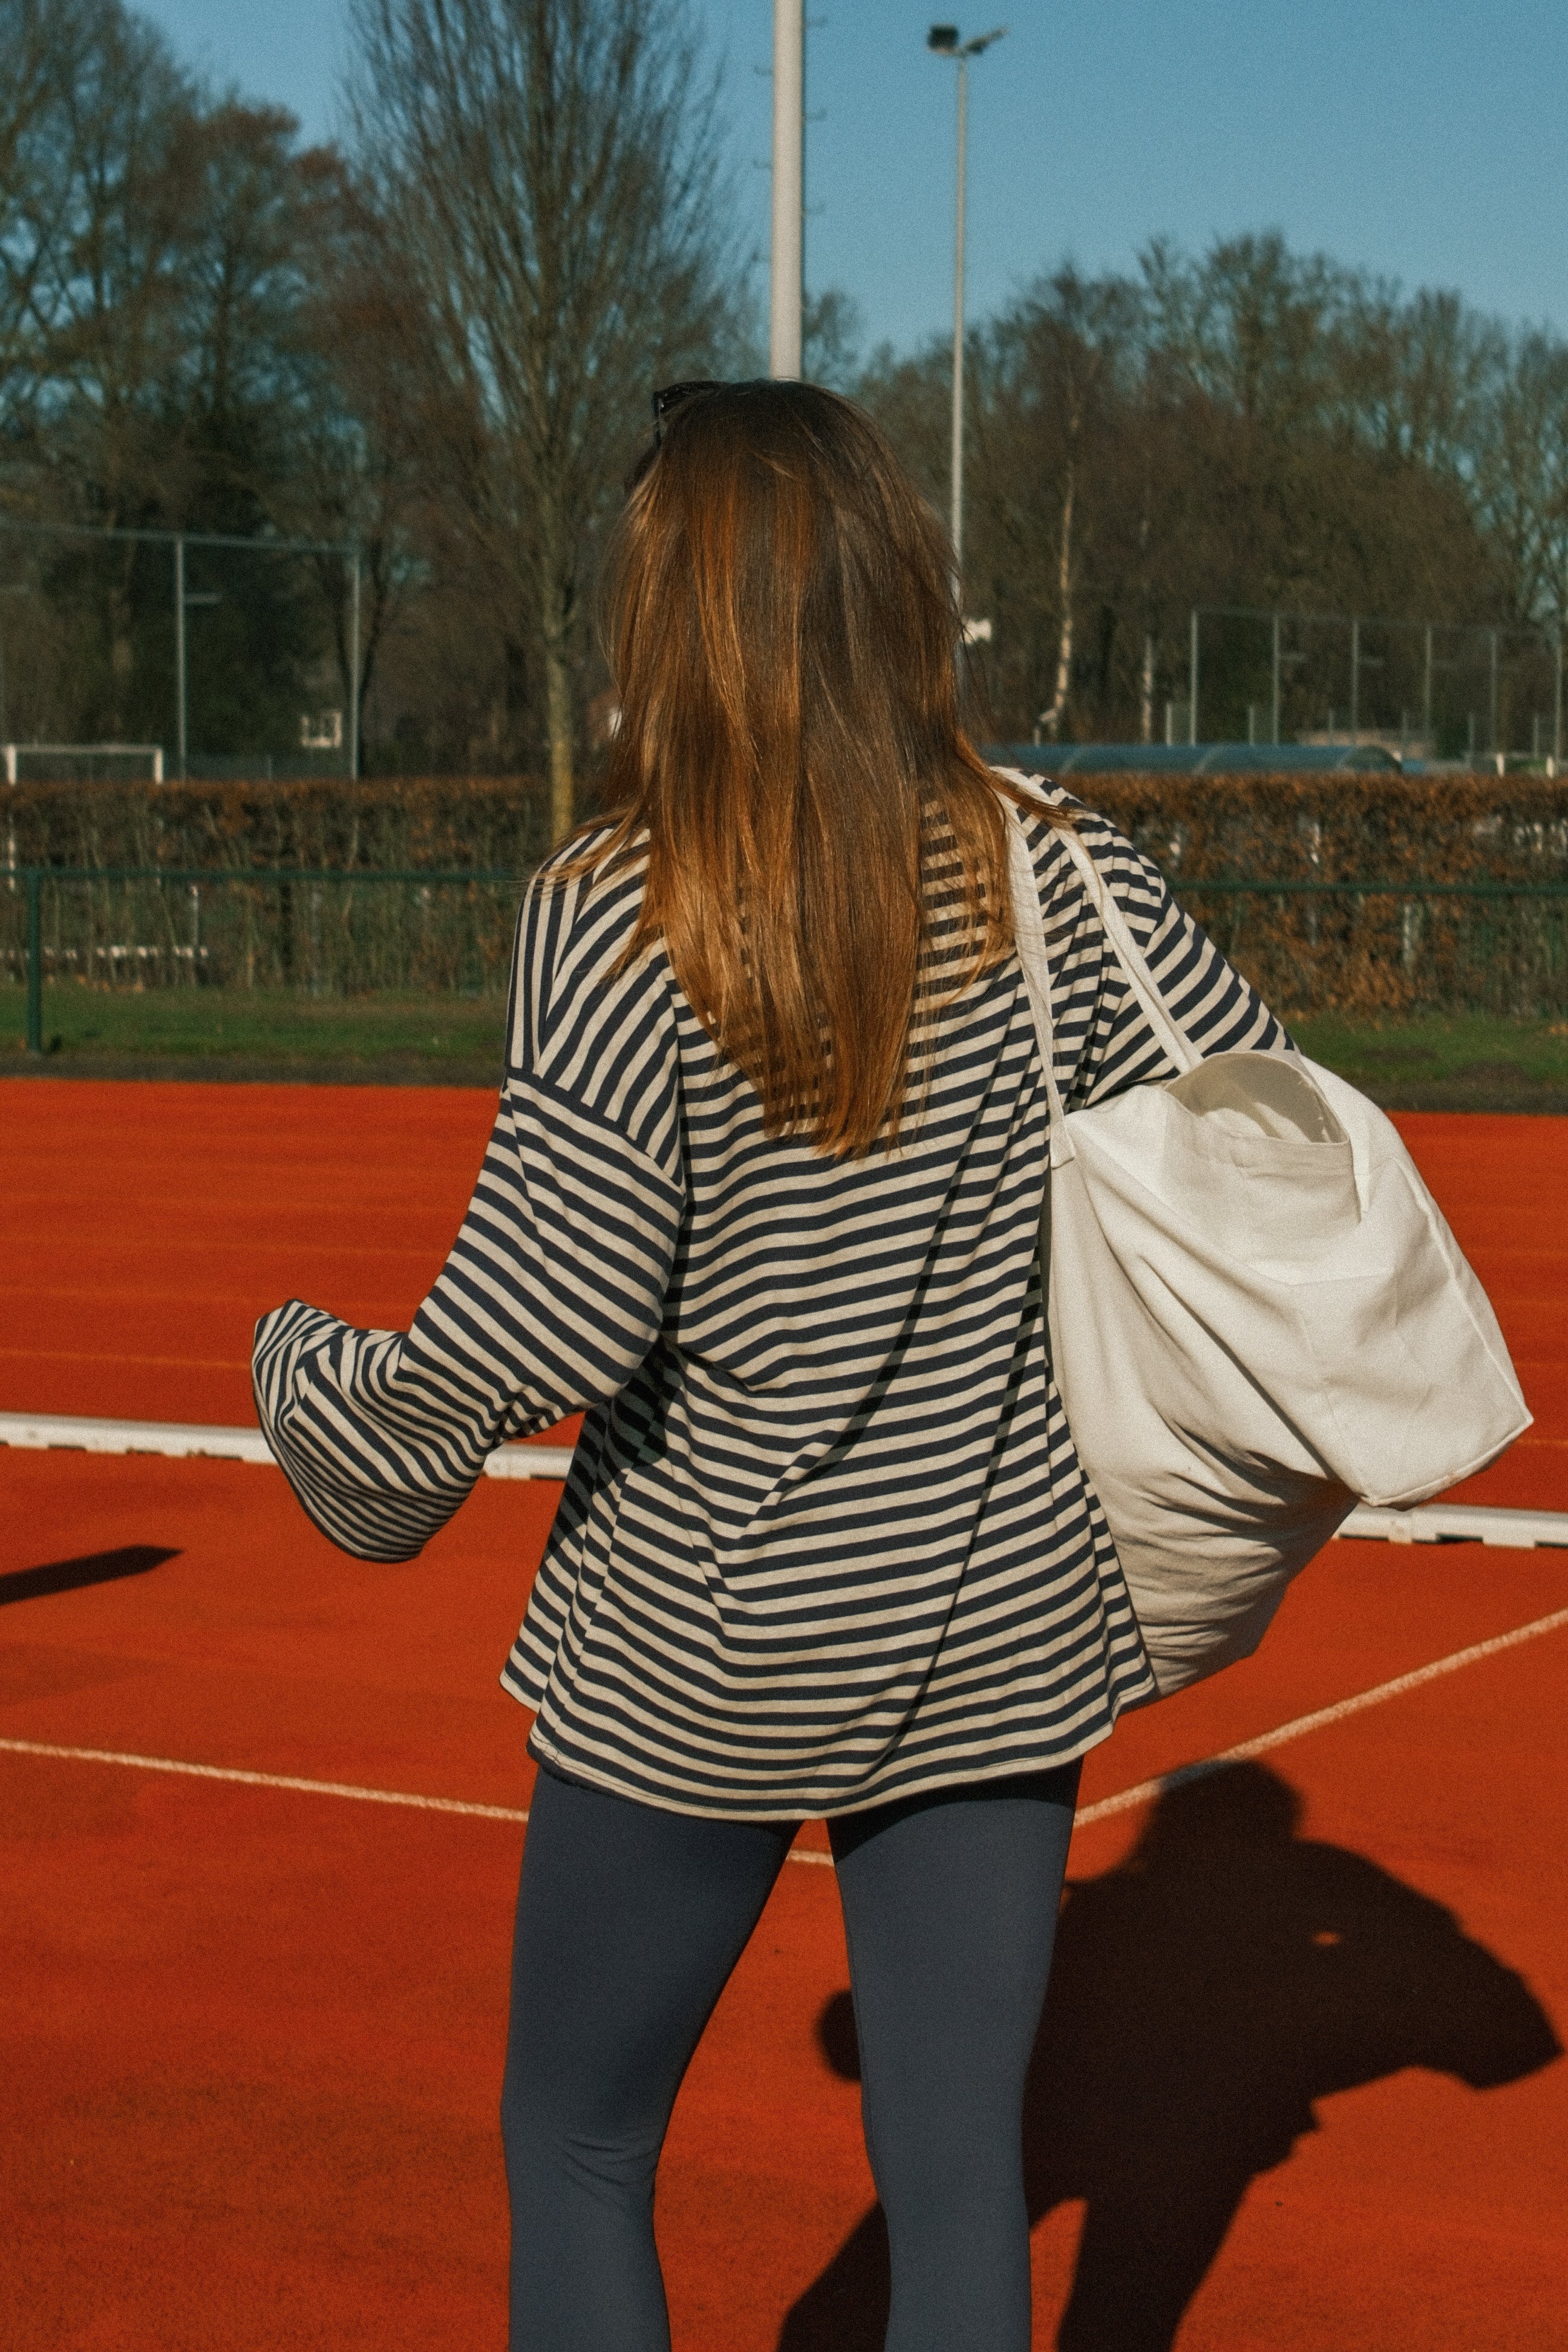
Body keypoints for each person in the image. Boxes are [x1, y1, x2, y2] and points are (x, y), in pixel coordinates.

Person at [253, 379, 1289, 2351]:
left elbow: (546, 1317)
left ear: (680, 616)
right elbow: (1241, 1112)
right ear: (894, 588)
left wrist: (320, 1391)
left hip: (704, 1650)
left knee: (573, 2142)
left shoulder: (622, 913)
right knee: (961, 2180)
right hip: (993, 1624)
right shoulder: (1062, 873)